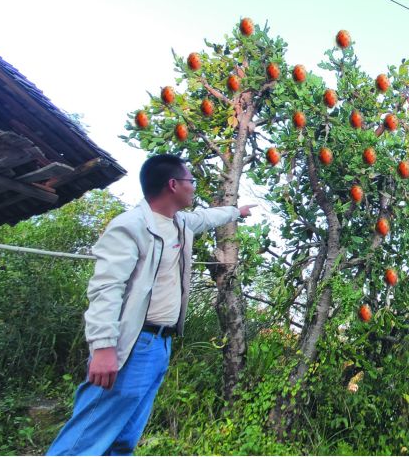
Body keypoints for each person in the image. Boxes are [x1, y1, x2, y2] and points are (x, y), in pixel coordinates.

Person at [48, 154, 256, 455]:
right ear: (173, 185)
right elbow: (106, 288)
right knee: (85, 439)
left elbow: (208, 218)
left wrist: (237, 211)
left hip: (161, 344)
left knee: (124, 437)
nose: (193, 187)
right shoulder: (130, 227)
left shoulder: (180, 223)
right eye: (190, 181)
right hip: (132, 344)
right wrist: (104, 346)